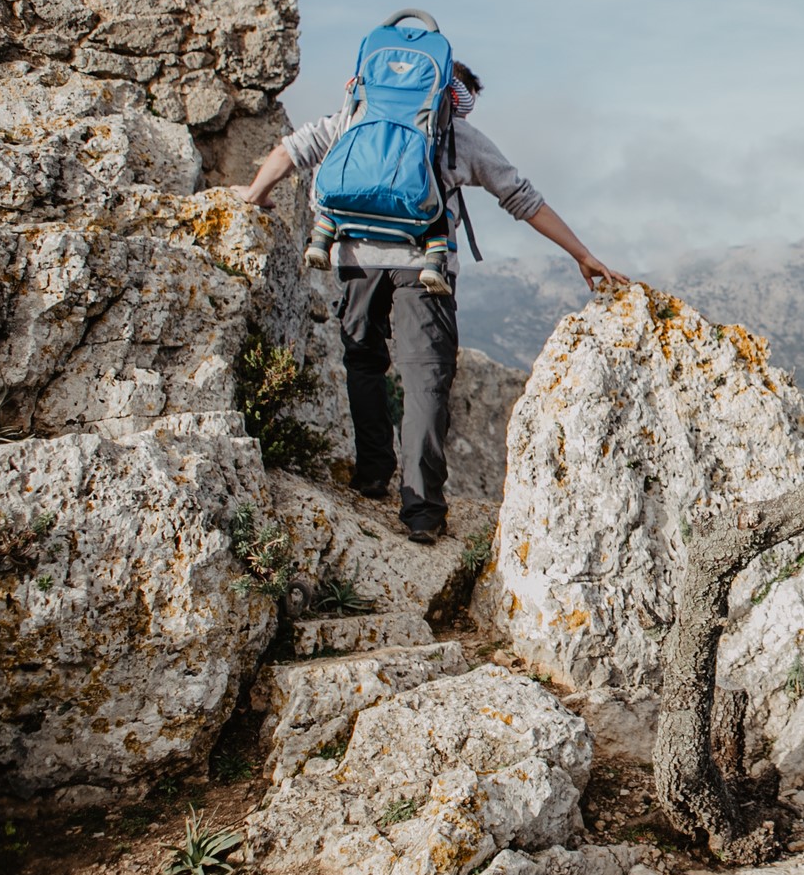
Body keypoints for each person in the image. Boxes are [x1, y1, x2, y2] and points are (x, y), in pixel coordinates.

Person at [238, 58, 626, 543]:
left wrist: (254, 196)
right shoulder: (452, 133)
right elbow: (520, 196)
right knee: (425, 381)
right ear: (450, 95)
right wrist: (582, 254)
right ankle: (422, 510)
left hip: (356, 257)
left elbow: (290, 152)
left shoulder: (356, 117)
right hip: (426, 265)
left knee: (363, 358)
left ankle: (372, 473)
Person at [302, 64, 482, 294]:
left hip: (355, 250)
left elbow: (300, 145)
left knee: (347, 189)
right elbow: (464, 106)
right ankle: (434, 260)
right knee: (431, 195)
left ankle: (321, 238)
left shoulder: (369, 105)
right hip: (411, 249)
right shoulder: (445, 91)